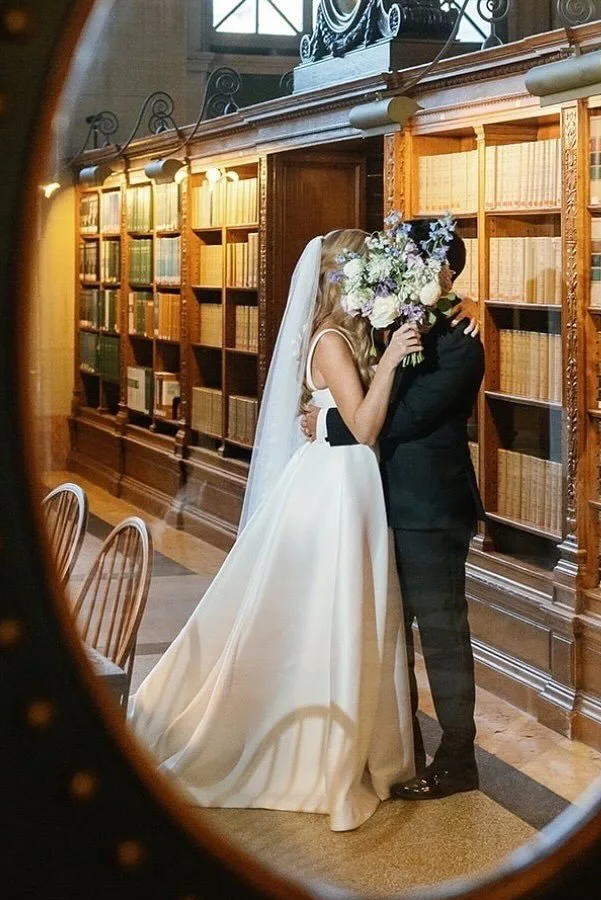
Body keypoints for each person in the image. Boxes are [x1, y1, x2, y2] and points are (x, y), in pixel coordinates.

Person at [127, 229, 424, 832]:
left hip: (349, 483)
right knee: (329, 611)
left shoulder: (346, 338)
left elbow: (341, 420)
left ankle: (350, 731)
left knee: (346, 610)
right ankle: (315, 744)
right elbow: (365, 427)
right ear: (341, 282)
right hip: (336, 488)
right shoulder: (334, 341)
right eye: (366, 274)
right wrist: (391, 362)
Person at [301, 218, 485, 800]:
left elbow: (397, 420)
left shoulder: (462, 340)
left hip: (430, 511)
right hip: (378, 505)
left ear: (446, 274)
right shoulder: (390, 326)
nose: (407, 282)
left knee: (442, 634)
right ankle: (404, 749)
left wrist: (328, 419)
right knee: (386, 634)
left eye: (421, 270)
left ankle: (458, 756)